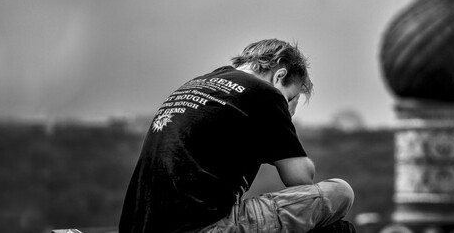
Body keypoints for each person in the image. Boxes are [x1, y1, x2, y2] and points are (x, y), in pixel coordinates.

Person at [119, 39, 355, 233]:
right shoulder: (265, 93)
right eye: (290, 99)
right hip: (202, 228)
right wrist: (280, 135)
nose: (289, 112)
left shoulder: (197, 83)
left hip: (137, 226)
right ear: (279, 75)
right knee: (339, 193)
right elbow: (300, 179)